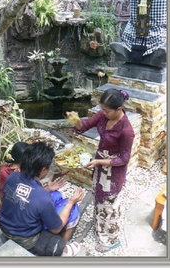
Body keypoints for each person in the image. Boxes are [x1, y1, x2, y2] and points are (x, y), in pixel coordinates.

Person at [66, 88, 135, 254]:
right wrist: (75, 120)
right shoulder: (104, 115)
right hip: (100, 163)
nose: (102, 113)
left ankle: (112, 239)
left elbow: (124, 159)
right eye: (102, 109)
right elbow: (86, 125)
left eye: (106, 110)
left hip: (113, 170)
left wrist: (99, 162)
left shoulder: (126, 131)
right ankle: (100, 227)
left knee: (110, 203)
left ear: (119, 109)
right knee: (99, 197)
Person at [0, 141, 84, 256]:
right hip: (26, 240)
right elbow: (56, 229)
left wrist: (47, 189)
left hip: (5, 227)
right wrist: (71, 202)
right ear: (43, 169)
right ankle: (60, 248)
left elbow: (26, 195)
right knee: (73, 210)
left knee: (56, 195)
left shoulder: (13, 177)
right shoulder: (43, 197)